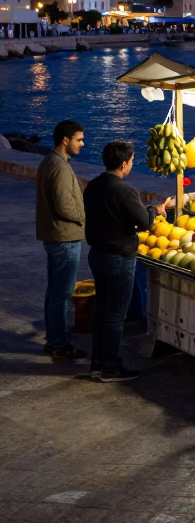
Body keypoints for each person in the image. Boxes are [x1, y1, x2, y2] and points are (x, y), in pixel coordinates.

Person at [83, 140, 172, 381]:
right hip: (118, 258)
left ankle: (97, 363)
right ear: (124, 164)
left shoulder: (93, 185)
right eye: (132, 161)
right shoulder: (124, 190)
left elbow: (112, 215)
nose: (132, 165)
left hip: (97, 254)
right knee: (115, 315)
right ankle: (110, 367)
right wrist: (154, 210)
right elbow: (144, 222)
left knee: (103, 310)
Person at [35, 119, 86, 358]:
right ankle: (58, 343)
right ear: (65, 140)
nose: (82, 144)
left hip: (55, 236)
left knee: (55, 291)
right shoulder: (59, 167)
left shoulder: (50, 162)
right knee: (62, 293)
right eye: (78, 139)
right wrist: (84, 218)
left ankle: (54, 338)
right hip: (64, 238)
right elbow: (64, 206)